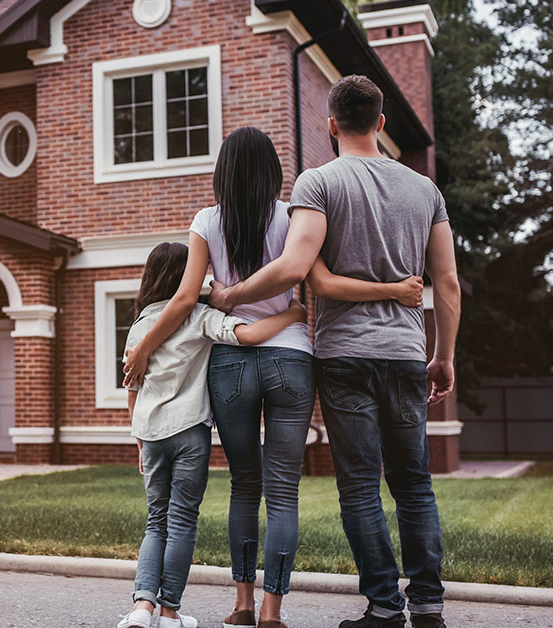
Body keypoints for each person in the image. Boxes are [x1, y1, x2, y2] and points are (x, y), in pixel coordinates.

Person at [124, 127, 424, 628]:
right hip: (291, 359)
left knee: (245, 486)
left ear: (222, 171)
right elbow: (320, 280)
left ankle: (241, 605)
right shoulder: (293, 216)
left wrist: (143, 349)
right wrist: (391, 290)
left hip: (231, 364)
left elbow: (182, 301)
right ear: (273, 171)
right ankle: (271, 612)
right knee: (283, 491)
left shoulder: (206, 220)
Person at [203, 76, 462, 628]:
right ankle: (430, 606)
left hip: (345, 355)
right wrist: (444, 355)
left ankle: (386, 607)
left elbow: (298, 270)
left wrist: (229, 296)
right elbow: (449, 284)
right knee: (414, 481)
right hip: (407, 351)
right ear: (382, 122)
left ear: (331, 125)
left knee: (361, 484)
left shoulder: (318, 183)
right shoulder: (425, 191)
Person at [118, 241, 308, 628]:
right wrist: (293, 313)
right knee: (182, 520)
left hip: (151, 435)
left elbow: (132, 390)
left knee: (157, 521)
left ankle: (141, 607)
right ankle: (170, 611)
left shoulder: (139, 328)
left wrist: (139, 441)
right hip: (190, 433)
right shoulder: (200, 316)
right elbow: (250, 335)